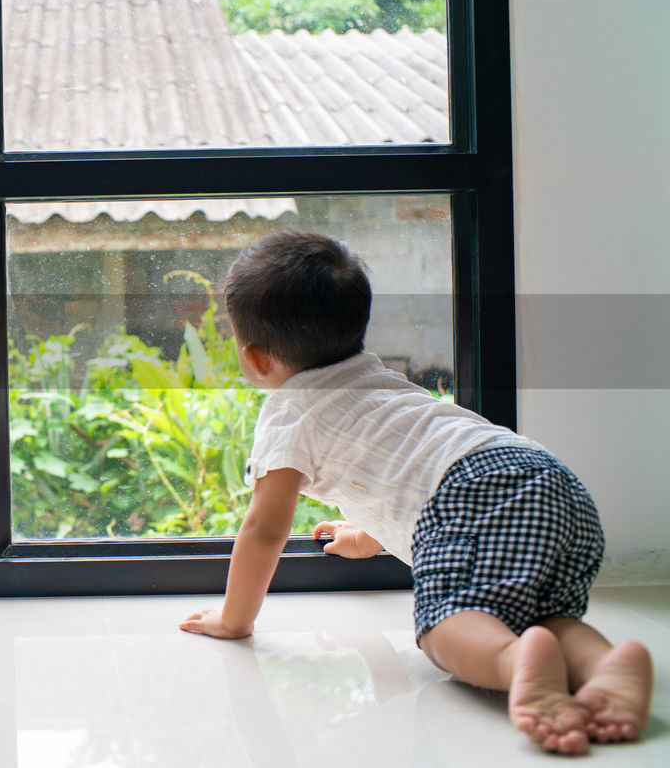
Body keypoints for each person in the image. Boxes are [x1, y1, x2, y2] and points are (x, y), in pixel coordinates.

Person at [178, 229, 653, 755]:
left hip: (472, 493)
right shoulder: (379, 377)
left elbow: (266, 529)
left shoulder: (289, 414)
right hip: (548, 478)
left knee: (445, 626)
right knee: (535, 617)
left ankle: (514, 665)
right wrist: (369, 532)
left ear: (256, 358)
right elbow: (406, 464)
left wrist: (233, 620)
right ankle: (605, 669)